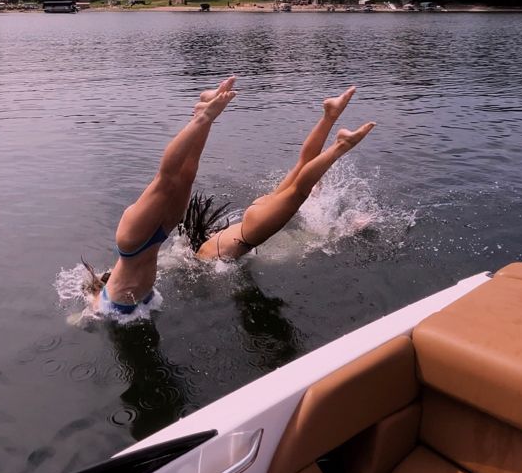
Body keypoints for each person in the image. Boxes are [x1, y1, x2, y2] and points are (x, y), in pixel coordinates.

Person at [82, 76, 237, 317]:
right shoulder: (111, 294)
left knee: (165, 180)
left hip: (133, 240)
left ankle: (205, 116)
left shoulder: (100, 307)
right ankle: (205, 108)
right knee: (187, 174)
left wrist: (79, 318)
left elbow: (85, 313)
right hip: (157, 237)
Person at [192, 86, 375, 260]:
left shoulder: (203, 256)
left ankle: (341, 145)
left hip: (251, 232)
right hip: (256, 212)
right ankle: (330, 115)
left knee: (300, 191)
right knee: (302, 164)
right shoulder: (209, 240)